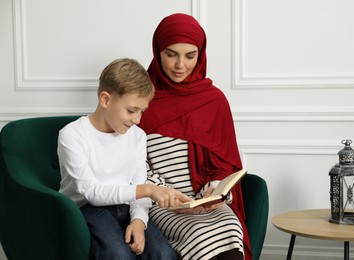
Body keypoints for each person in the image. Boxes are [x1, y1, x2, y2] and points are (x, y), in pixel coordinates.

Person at [139, 13, 252, 260]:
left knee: (231, 228)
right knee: (199, 234)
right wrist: (167, 194)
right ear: (157, 52)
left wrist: (215, 191)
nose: (181, 65)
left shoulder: (214, 101)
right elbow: (133, 163)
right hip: (162, 201)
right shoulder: (139, 99)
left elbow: (224, 165)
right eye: (171, 54)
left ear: (200, 55)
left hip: (204, 201)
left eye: (190, 56)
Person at [57, 58, 191, 260]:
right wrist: (148, 189)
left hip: (127, 206)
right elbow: (92, 193)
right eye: (131, 110)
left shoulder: (137, 136)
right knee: (118, 255)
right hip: (86, 210)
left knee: (164, 254)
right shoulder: (73, 135)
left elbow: (137, 186)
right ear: (105, 99)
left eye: (141, 111)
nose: (137, 120)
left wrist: (138, 221)